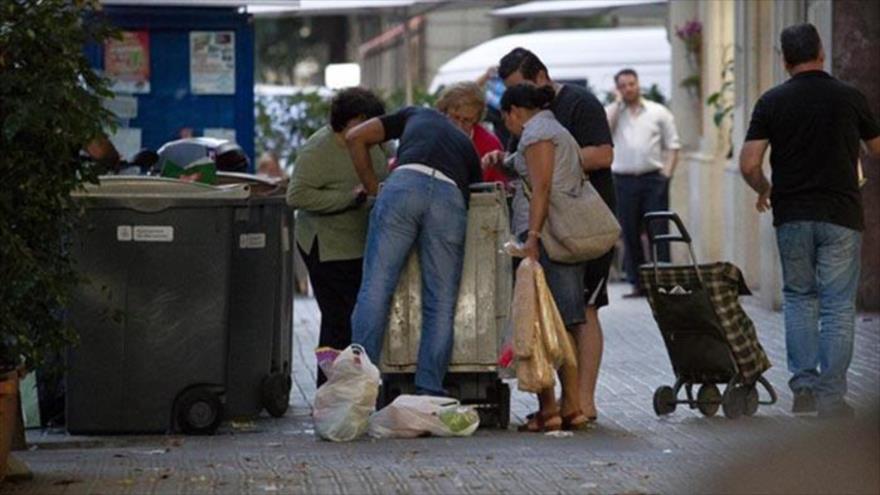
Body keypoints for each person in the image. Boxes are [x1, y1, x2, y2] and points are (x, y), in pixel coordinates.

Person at [739, 23, 880, 418]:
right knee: (837, 307)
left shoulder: (772, 101)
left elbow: (749, 164)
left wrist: (764, 189)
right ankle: (831, 399)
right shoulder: (849, 97)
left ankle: (803, 389)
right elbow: (876, 147)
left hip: (792, 215)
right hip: (841, 215)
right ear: (821, 52)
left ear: (784, 60)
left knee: (800, 299)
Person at [488, 47, 615, 423]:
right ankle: (565, 404)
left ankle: (576, 403)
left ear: (541, 76)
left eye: (521, 89)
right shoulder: (535, 129)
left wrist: (535, 234)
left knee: (574, 313)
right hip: (552, 231)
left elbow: (594, 160)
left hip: (572, 230)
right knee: (563, 313)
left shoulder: (562, 116)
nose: (519, 98)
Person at [345, 104, 482, 397]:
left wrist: (372, 187)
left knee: (376, 289)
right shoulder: (466, 145)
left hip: (404, 186)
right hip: (449, 197)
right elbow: (475, 189)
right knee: (441, 303)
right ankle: (430, 390)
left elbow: (355, 136)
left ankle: (361, 387)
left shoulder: (416, 114)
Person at [502, 83, 592, 432]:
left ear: (513, 111)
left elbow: (541, 187)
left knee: (537, 321)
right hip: (565, 234)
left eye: (506, 118)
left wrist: (533, 238)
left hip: (543, 236)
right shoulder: (558, 130)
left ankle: (551, 408)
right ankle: (573, 407)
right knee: (566, 320)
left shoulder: (536, 133)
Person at [286, 87, 388, 386]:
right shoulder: (319, 149)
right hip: (327, 248)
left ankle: (355, 386)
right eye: (364, 123)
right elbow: (296, 196)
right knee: (336, 320)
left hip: (360, 244)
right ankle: (328, 388)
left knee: (357, 319)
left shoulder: (373, 143)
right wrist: (347, 198)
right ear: (349, 122)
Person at [606, 68, 681, 298]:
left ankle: (664, 282)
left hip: (652, 179)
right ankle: (638, 284)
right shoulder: (614, 113)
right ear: (618, 89)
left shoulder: (658, 112)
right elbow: (605, 132)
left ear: (638, 84)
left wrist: (666, 176)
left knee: (659, 230)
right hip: (623, 180)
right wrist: (617, 104)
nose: (628, 89)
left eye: (631, 84)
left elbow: (673, 145)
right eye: (623, 86)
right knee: (629, 232)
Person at [435, 82, 508, 187]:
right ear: (444, 112)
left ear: (476, 120)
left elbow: (499, 188)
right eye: (455, 117)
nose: (459, 126)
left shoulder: (490, 145)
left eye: (467, 120)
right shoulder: (434, 137)